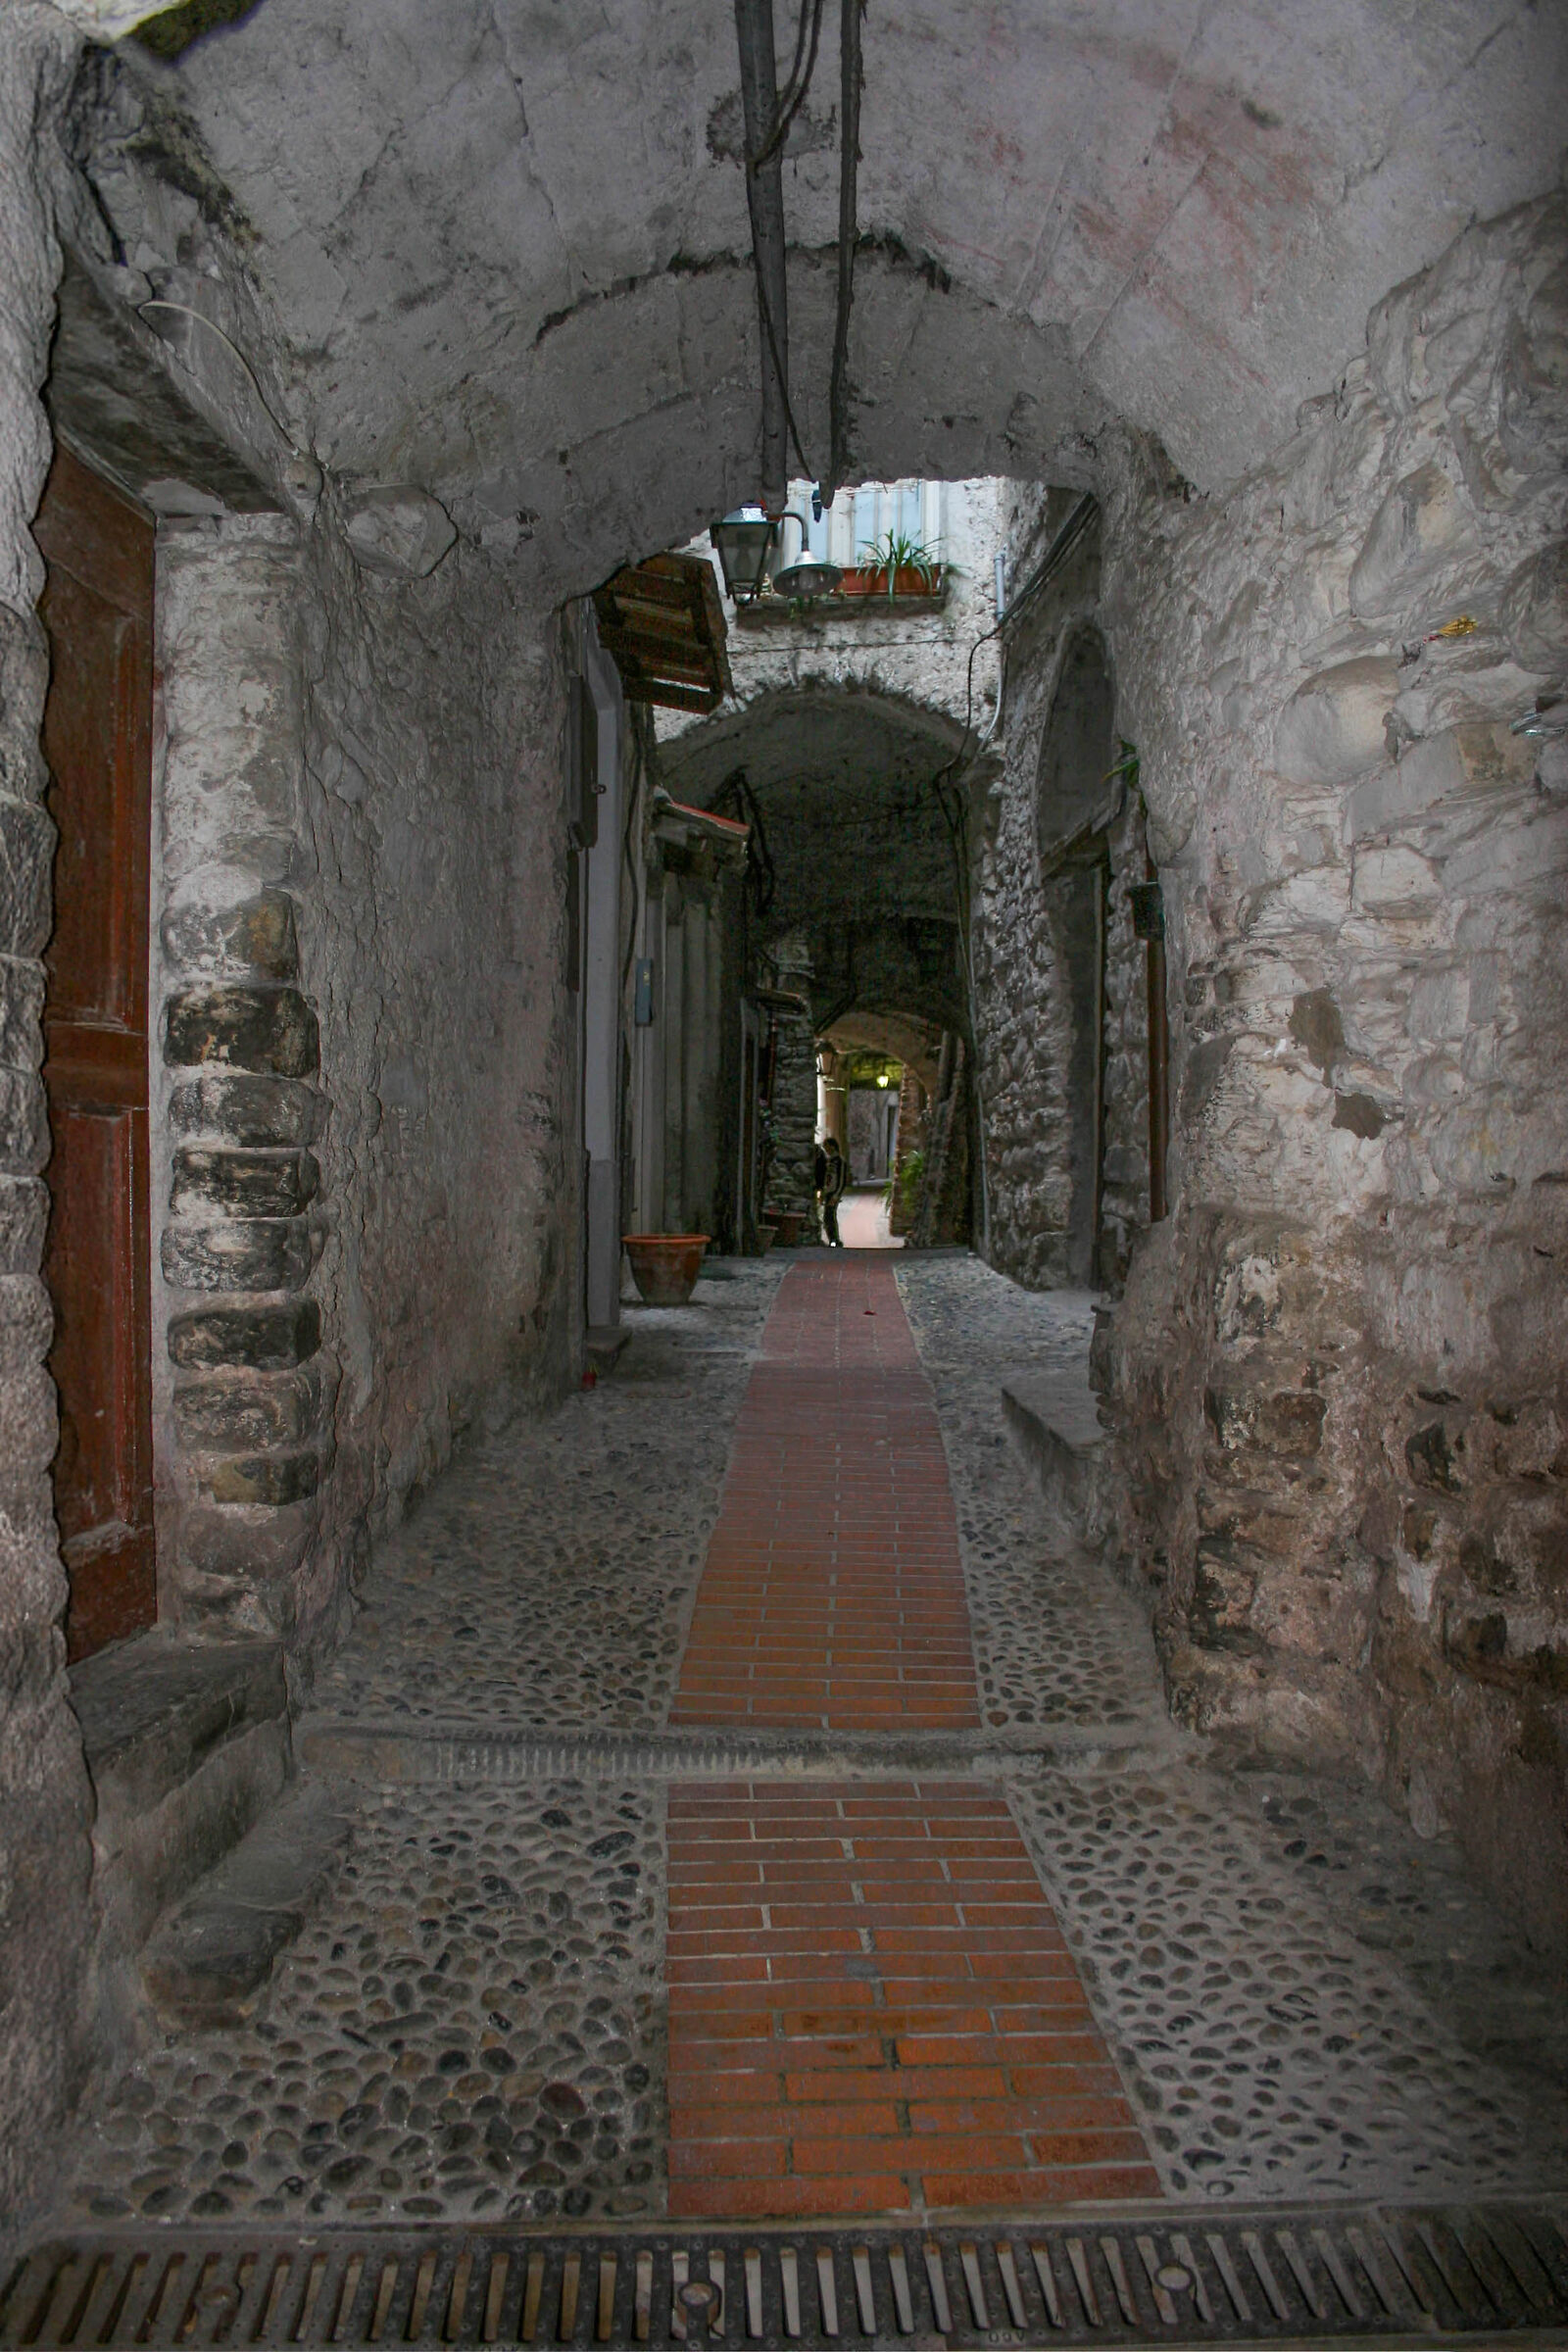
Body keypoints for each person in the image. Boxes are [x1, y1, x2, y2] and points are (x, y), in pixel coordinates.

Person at [814, 1134, 847, 1248]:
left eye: (826, 1146)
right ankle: (832, 1240)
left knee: (830, 1216)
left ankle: (834, 1240)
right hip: (828, 1192)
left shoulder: (839, 1161)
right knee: (827, 1217)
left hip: (833, 1193)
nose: (825, 1149)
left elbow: (841, 1180)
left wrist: (836, 1195)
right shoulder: (829, 1160)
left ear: (832, 1146)